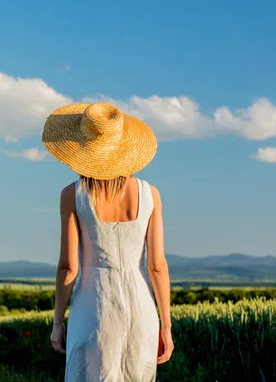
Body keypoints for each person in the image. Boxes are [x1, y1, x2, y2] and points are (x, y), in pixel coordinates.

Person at [42, 102, 174, 381]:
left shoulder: (73, 195)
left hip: (94, 308)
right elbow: (158, 266)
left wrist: (57, 322)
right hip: (141, 310)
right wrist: (166, 325)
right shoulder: (151, 195)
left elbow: (69, 267)